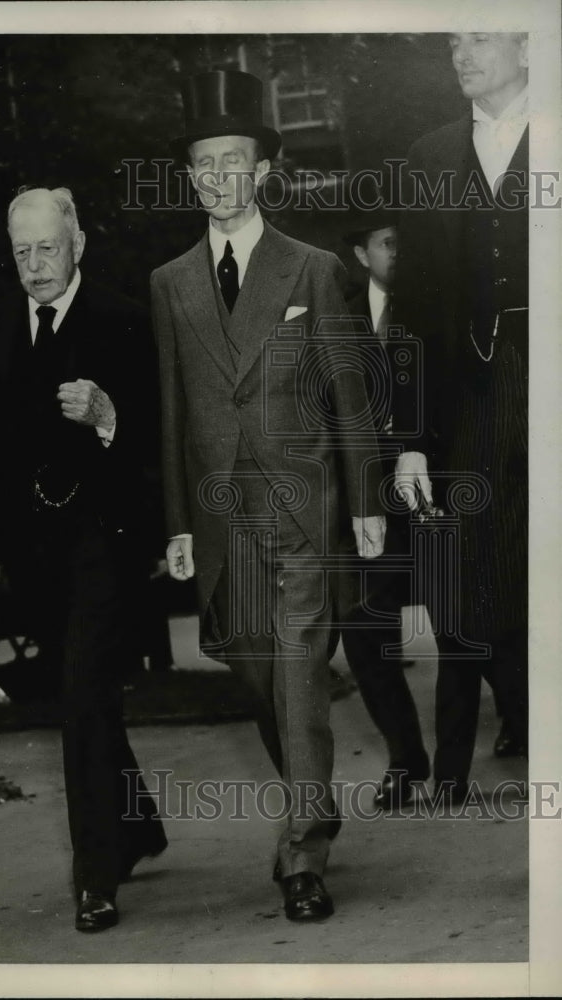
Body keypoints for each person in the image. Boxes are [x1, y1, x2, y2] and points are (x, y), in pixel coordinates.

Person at [151, 69, 385, 922]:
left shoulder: (313, 269)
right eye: (203, 164)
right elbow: (175, 410)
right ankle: (310, 802)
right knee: (257, 681)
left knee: (297, 677)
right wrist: (178, 521)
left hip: (303, 507)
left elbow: (350, 394)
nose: (218, 177)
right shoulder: (169, 282)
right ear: (192, 176)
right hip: (222, 521)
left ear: (261, 172)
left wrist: (364, 500)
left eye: (233, 161)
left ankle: (301, 856)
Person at [0, 187, 167, 932]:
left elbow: (159, 445)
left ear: (77, 245)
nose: (36, 265)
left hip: (105, 542)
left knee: (81, 695)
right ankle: (137, 827)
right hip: (32, 552)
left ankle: (95, 874)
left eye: (47, 248)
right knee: (87, 696)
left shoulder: (124, 320)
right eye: (22, 252)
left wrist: (108, 419)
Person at [394, 33, 529, 803]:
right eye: (452, 40)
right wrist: (412, 441)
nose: (461, 52)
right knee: (482, 589)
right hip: (477, 395)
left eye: (480, 36)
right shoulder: (431, 157)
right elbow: (411, 312)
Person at [330, 211, 429, 807]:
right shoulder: (336, 317)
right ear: (363, 254)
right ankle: (404, 756)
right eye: (388, 244)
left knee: (472, 617)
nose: (400, 254)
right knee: (366, 629)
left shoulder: (438, 302)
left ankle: (520, 724)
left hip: (442, 483)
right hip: (370, 497)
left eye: (406, 243)